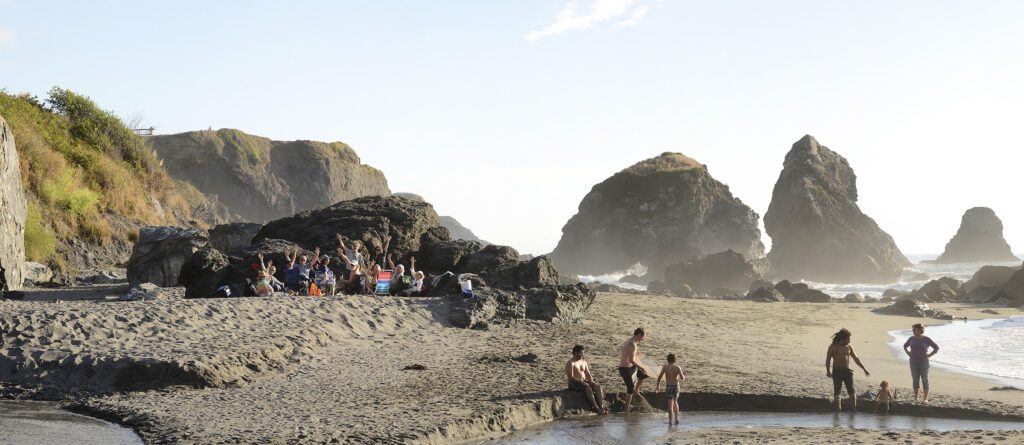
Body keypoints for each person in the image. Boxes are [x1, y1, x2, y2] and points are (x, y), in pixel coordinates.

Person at [826, 328, 870, 413]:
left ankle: (853, 410)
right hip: (837, 371)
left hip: (847, 371)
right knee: (837, 390)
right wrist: (828, 370)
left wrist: (864, 368)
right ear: (842, 339)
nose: (849, 340)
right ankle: (838, 410)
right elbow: (828, 359)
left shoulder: (849, 347)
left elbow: (856, 358)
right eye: (848, 339)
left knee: (851, 390)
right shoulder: (833, 347)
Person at [565, 345, 608, 415]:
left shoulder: (584, 362)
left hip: (583, 381)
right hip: (574, 383)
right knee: (588, 388)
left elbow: (588, 374)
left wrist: (591, 381)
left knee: (597, 386)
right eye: (580, 353)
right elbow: (571, 377)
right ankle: (596, 408)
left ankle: (601, 406)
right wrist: (583, 383)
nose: (582, 355)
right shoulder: (571, 363)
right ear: (575, 353)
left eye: (583, 353)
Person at [903, 323, 939, 403]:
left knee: (925, 379)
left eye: (914, 329)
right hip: (913, 361)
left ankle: (925, 398)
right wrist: (908, 352)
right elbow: (905, 346)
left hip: (924, 362)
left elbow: (936, 348)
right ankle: (916, 397)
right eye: (913, 330)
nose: (913, 331)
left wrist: (929, 355)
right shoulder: (911, 338)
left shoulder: (926, 339)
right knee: (915, 379)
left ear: (920, 330)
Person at [619, 327, 651, 414]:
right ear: (639, 335)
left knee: (644, 374)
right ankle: (627, 409)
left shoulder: (630, 341)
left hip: (630, 367)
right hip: (625, 369)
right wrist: (640, 367)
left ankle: (637, 390)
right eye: (643, 337)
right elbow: (631, 360)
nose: (643, 339)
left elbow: (630, 354)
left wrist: (638, 355)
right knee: (630, 389)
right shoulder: (632, 344)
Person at [656, 353, 685, 424]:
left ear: (667, 359)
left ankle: (670, 420)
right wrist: (678, 378)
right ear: (675, 360)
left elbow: (659, 377)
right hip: (676, 386)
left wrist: (658, 386)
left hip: (669, 386)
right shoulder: (678, 367)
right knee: (675, 402)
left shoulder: (665, 367)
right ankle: (676, 419)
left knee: (670, 404)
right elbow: (682, 378)